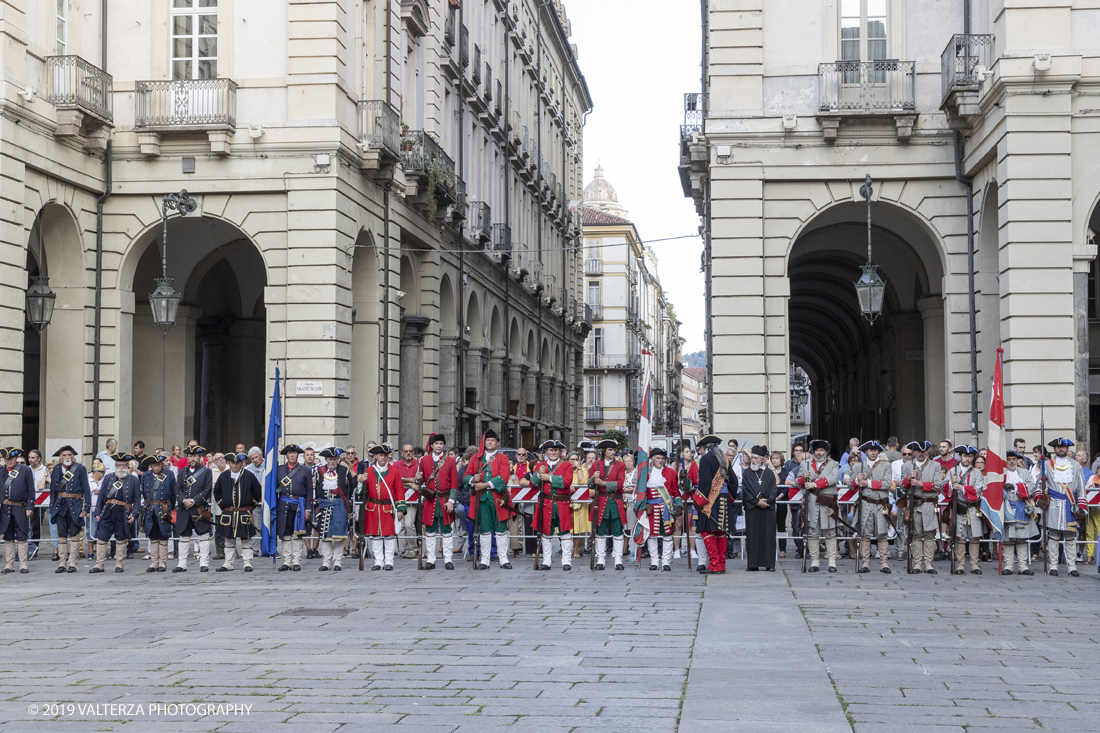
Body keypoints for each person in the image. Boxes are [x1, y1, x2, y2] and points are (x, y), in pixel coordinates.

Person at [1035, 437, 1087, 577]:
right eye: (1058, 447)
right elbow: (1039, 485)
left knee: (1070, 536)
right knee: (1053, 536)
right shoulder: (1047, 464)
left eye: (1063, 447)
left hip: (1071, 505)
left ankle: (1072, 566)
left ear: (1068, 448)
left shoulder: (1076, 466)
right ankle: (1053, 566)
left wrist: (1082, 506)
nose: (1061, 449)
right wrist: (1039, 499)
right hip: (1053, 505)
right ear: (1054, 449)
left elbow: (1081, 488)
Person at [462, 430, 514, 570]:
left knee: (501, 529)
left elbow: (503, 478)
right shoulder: (476, 458)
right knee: (484, 530)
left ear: (497, 443)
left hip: (498, 498)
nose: (490, 443)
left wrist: (485, 484)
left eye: (493, 440)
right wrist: (473, 479)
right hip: (482, 498)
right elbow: (466, 476)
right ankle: (485, 560)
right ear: (484, 443)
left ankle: (503, 559)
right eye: (488, 440)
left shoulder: (502, 458)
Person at [897, 441, 942, 574]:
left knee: (929, 535)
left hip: (928, 503)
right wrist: (908, 479)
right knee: (915, 535)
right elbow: (902, 487)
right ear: (914, 452)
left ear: (927, 451)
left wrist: (920, 483)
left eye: (924, 451)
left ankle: (928, 564)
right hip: (914, 504)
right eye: (918, 451)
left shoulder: (936, 465)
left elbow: (938, 484)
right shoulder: (906, 466)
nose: (921, 454)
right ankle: (917, 563)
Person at [90, 452, 139, 573]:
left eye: (123, 465)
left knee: (121, 539)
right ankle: (99, 564)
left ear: (128, 466)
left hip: (123, 512)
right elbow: (101, 496)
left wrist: (133, 514)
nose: (121, 468)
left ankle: (119, 564)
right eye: (119, 465)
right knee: (101, 538)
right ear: (115, 466)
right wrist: (97, 513)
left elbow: (137, 500)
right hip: (108, 510)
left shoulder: (133, 480)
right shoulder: (108, 477)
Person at [693, 435, 735, 574]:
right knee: (720, 532)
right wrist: (730, 498)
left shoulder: (706, 459)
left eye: (701, 448)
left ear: (705, 448)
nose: (700, 451)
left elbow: (704, 483)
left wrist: (699, 502)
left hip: (710, 501)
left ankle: (715, 564)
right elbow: (734, 483)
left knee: (706, 531)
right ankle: (721, 565)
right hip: (724, 500)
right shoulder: (725, 459)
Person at [530, 440, 575, 571]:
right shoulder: (541, 466)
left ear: (560, 452)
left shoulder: (566, 465)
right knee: (546, 533)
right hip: (546, 503)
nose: (554, 452)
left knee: (565, 533)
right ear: (545, 452)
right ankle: (547, 561)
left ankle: (566, 561)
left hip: (562, 503)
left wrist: (549, 478)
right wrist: (539, 474)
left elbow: (566, 482)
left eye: (556, 450)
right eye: (551, 450)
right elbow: (533, 485)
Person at [798, 440, 841, 572]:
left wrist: (814, 484)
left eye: (822, 450)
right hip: (811, 502)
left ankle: (832, 562)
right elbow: (797, 481)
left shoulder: (834, 464)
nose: (819, 452)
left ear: (827, 452)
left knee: (830, 532)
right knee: (812, 533)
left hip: (828, 502)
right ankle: (815, 562)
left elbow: (833, 478)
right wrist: (803, 479)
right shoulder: (805, 464)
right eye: (817, 450)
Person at [635, 448, 681, 571]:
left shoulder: (671, 473)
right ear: (652, 459)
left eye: (662, 458)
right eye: (658, 458)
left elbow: (676, 492)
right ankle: (654, 561)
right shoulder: (646, 473)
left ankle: (666, 561)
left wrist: (679, 505)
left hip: (667, 509)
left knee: (668, 535)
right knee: (652, 536)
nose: (660, 461)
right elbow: (641, 491)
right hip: (651, 509)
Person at [852, 440, 894, 574]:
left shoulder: (886, 466)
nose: (873, 452)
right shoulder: (859, 467)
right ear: (866, 452)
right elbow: (850, 485)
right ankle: (865, 563)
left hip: (880, 503)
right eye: (871, 450)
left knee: (882, 534)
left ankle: (884, 563)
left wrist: (867, 482)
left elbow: (887, 484)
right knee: (865, 534)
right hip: (865, 503)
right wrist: (856, 480)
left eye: (875, 450)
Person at [47, 446, 91, 574]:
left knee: (75, 535)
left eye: (69, 455)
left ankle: (73, 563)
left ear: (73, 456)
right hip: (60, 505)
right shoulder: (56, 469)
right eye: (64, 455)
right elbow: (53, 490)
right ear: (60, 457)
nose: (67, 457)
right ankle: (62, 563)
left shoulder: (80, 468)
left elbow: (86, 489)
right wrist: (52, 506)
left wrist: (86, 507)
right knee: (61, 535)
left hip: (75, 505)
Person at [362, 444, 405, 571]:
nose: (383, 458)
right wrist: (360, 482)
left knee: (389, 536)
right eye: (381, 455)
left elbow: (400, 492)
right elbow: (361, 492)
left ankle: (389, 561)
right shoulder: (369, 471)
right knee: (376, 536)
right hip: (373, 508)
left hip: (388, 508)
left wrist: (400, 509)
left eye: (385, 455)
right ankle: (378, 561)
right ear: (376, 456)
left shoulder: (394, 471)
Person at [420, 433, 459, 570]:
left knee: (447, 531)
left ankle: (448, 559)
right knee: (430, 532)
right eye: (436, 443)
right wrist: (417, 478)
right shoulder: (424, 461)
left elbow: (454, 483)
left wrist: (451, 501)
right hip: (430, 501)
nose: (439, 446)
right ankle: (430, 560)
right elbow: (420, 482)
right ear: (431, 445)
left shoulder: (450, 461)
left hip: (444, 500)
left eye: (441, 444)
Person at [174, 445, 214, 573]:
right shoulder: (182, 472)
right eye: (190, 456)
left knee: (203, 535)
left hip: (199, 507)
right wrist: (183, 500)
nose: (192, 458)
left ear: (199, 457)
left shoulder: (206, 472)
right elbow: (177, 489)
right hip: (184, 508)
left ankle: (203, 563)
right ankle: (182, 564)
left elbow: (207, 490)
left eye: (195, 456)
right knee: (183, 537)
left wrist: (194, 500)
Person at [589, 440, 627, 571]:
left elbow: (620, 484)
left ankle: (618, 559)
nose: (613, 452)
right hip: (601, 502)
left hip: (615, 502)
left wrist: (603, 483)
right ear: (604, 451)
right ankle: (600, 559)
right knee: (600, 532)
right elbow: (590, 484)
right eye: (610, 449)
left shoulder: (621, 465)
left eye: (614, 450)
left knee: (617, 532)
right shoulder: (596, 464)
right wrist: (593, 478)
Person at [946, 445, 984, 575]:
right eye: (965, 456)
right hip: (958, 508)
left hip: (973, 508)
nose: (967, 458)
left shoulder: (977, 473)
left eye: (969, 456)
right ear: (960, 456)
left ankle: (974, 565)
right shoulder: (952, 471)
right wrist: (951, 483)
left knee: (974, 538)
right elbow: (943, 489)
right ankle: (960, 565)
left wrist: (961, 488)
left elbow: (978, 489)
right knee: (959, 538)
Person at [274, 444, 312, 571]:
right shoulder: (279, 470)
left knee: (297, 535)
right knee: (285, 534)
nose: (292, 455)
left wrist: (308, 509)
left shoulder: (305, 470)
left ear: (298, 455)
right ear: (286, 455)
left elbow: (310, 492)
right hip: (283, 504)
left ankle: (296, 561)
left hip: (299, 505)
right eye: (290, 453)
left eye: (294, 453)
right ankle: (287, 561)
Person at [312, 447, 351, 571]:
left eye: (334, 459)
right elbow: (317, 489)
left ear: (338, 459)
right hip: (324, 507)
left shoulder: (344, 470)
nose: (332, 462)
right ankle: (326, 562)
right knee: (325, 536)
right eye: (330, 459)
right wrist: (317, 506)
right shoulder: (319, 471)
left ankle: (338, 562)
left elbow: (350, 488)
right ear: (326, 460)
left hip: (339, 506)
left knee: (338, 536)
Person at [1001, 448, 1038, 575]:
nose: (1011, 462)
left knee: (1022, 538)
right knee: (1008, 538)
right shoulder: (1002, 473)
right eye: (1009, 460)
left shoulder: (1024, 472)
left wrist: (1014, 486)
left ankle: (1023, 566)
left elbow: (1031, 486)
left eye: (1014, 460)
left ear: (1017, 460)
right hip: (1006, 508)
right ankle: (1008, 565)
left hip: (1021, 506)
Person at [740, 445, 777, 571]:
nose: (753, 460)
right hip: (753, 509)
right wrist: (756, 502)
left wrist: (768, 501)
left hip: (767, 509)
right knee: (753, 536)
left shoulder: (770, 474)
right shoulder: (747, 474)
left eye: (755, 458)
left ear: (762, 459)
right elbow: (745, 490)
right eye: (752, 458)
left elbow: (774, 490)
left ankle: (769, 564)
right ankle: (753, 564)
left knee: (768, 536)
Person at [0, 448, 35, 574]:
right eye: (6, 459)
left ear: (16, 458)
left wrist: (30, 507)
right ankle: (9, 564)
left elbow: (31, 491)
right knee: (8, 536)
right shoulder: (1, 471)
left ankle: (23, 564)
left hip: (20, 507)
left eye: (11, 459)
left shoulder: (25, 470)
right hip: (5, 508)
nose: (9, 461)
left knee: (22, 535)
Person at [139, 455, 175, 573]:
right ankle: (154, 562)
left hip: (164, 507)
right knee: (153, 535)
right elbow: (145, 493)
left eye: (159, 465)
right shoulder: (146, 476)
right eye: (154, 465)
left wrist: (171, 508)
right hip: (151, 508)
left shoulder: (169, 474)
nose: (157, 467)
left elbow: (173, 493)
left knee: (164, 535)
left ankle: (162, 563)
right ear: (151, 466)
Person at [394, 444, 422, 560]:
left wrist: (404, 481)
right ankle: (406, 549)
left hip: (413, 500)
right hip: (400, 500)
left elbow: (421, 480)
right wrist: (410, 482)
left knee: (409, 524)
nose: (409, 453)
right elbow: (395, 481)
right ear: (402, 453)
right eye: (406, 451)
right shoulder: (396, 465)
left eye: (411, 451)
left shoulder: (418, 465)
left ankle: (413, 549)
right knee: (401, 526)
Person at [571, 451, 595, 559]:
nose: (574, 462)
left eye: (577, 459)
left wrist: (579, 468)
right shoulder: (565, 470)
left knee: (577, 528)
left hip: (581, 503)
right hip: (567, 502)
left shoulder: (584, 470)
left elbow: (582, 481)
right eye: (572, 459)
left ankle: (576, 548)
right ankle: (567, 548)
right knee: (567, 527)